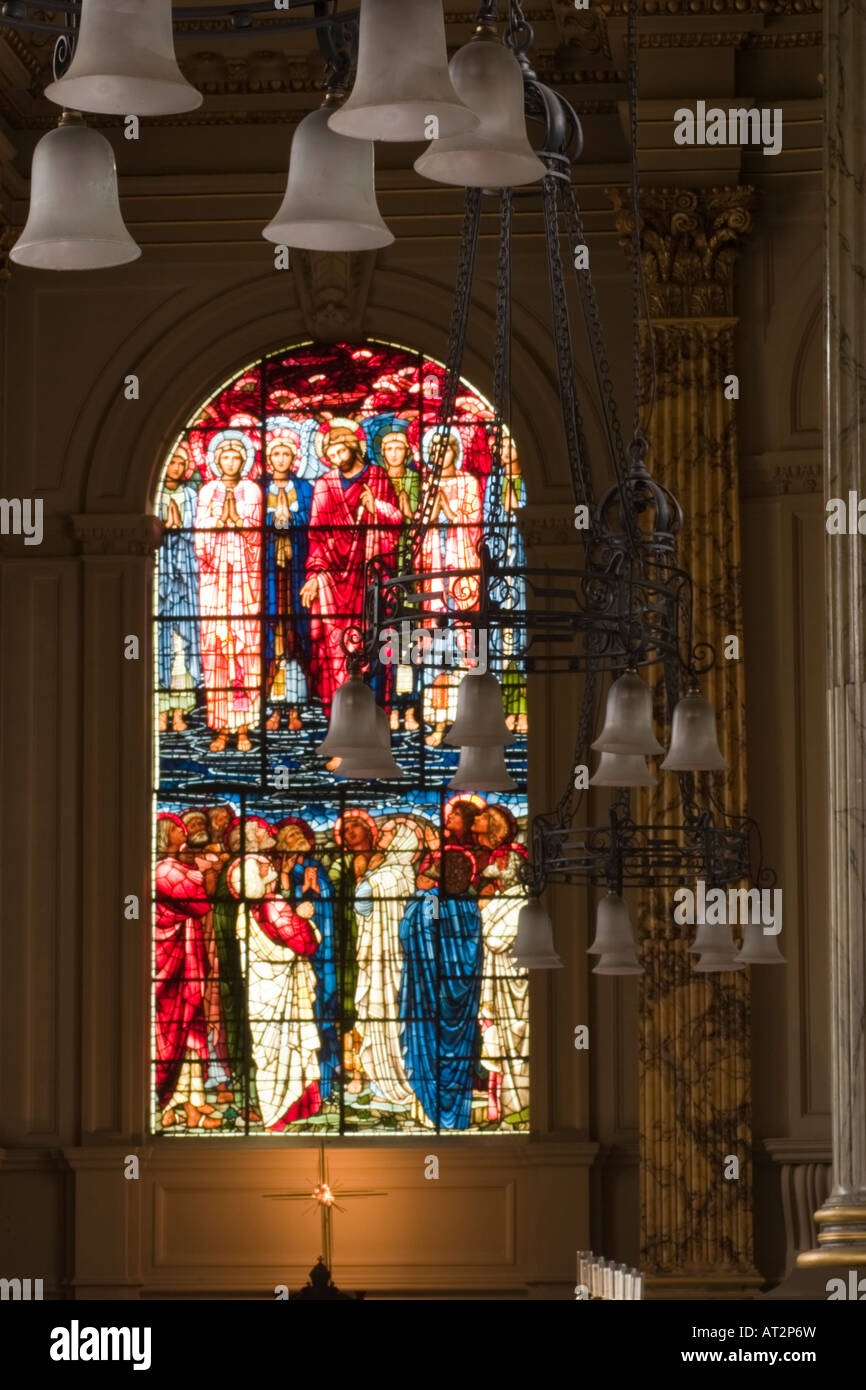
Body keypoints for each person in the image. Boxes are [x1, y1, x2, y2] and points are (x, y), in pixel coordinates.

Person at [300, 418, 402, 708]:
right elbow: (316, 534)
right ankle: (340, 725)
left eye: (339, 451)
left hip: (370, 575)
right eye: (330, 454)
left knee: (374, 640)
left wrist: (376, 507)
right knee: (335, 648)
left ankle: (375, 721)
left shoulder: (378, 478)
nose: (335, 458)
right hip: (332, 578)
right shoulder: (324, 484)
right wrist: (313, 575)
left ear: (354, 447)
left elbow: (396, 521)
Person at [228, 850, 322, 1130]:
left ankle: (276, 1109)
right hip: (280, 990)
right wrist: (304, 916)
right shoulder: (273, 905)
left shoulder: (245, 910)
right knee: (286, 1046)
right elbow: (305, 944)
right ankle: (279, 1113)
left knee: (270, 1050)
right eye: (264, 866)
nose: (270, 866)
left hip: (260, 990)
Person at [399, 844, 482, 1129]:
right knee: (457, 1054)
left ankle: (431, 1112)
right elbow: (469, 949)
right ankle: (455, 1114)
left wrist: (420, 895)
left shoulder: (433, 900)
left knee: (430, 1044)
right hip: (463, 996)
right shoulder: (470, 906)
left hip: (432, 991)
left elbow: (419, 932)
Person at [194, 430, 262, 753]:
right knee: (216, 654)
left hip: (246, 583)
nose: (231, 461)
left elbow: (256, 533)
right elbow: (200, 538)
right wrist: (222, 521)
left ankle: (244, 726)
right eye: (225, 456)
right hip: (213, 582)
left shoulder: (252, 490)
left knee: (244, 651)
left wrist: (240, 524)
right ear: (216, 460)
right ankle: (221, 727)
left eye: (237, 456)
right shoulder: (207, 491)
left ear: (245, 460)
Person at [154, 813, 220, 1129]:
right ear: (169, 837)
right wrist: (206, 874)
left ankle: (193, 1102)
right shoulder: (165, 870)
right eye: (179, 829)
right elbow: (199, 905)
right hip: (172, 964)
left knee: (190, 1029)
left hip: (186, 960)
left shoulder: (177, 868)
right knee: (174, 1033)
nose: (185, 832)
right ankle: (175, 1106)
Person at [354, 817, 424, 1107]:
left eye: (386, 833)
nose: (380, 835)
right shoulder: (406, 873)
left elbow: (361, 904)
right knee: (398, 1016)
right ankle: (398, 1079)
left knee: (384, 1016)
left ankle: (387, 1083)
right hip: (400, 956)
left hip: (384, 956)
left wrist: (366, 876)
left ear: (399, 841)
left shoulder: (384, 876)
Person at [273, 817, 339, 1106]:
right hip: (292, 956)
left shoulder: (315, 867)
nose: (293, 839)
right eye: (288, 836)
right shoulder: (277, 871)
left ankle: (326, 1081)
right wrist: (290, 883)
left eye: (297, 835)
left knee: (323, 1012)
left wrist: (316, 890)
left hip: (322, 952)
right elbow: (276, 905)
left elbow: (328, 898)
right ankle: (299, 1086)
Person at [472, 805, 530, 1125]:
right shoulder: (495, 866)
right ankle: (508, 1106)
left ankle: (518, 1105)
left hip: (513, 965)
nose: (475, 820)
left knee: (518, 1033)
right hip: (499, 969)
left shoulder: (517, 863)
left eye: (482, 817)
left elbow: (495, 937)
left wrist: (491, 905)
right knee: (504, 1035)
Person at [263, 420, 312, 732]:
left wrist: (292, 518)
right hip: (269, 575)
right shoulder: (259, 489)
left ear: (293, 458)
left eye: (286, 454)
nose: (281, 459)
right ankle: (274, 707)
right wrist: (272, 519)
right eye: (276, 454)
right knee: (273, 638)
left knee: (295, 638)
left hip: (296, 573)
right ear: (269, 459)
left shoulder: (303, 489)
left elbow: (311, 520)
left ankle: (295, 708)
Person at [329, 808, 379, 1095]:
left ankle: (375, 1067)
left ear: (368, 829)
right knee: (348, 1002)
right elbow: (333, 889)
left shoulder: (385, 860)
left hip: (379, 941)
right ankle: (351, 1066)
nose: (349, 833)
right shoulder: (340, 864)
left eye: (355, 827)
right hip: (347, 940)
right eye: (345, 829)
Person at [157, 441, 202, 733]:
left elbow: (200, 534)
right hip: (159, 577)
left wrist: (180, 530)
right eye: (171, 461)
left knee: (181, 647)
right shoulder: (152, 495)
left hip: (185, 576)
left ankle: (178, 711)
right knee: (159, 644)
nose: (175, 467)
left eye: (181, 463)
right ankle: (160, 711)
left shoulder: (191, 495)